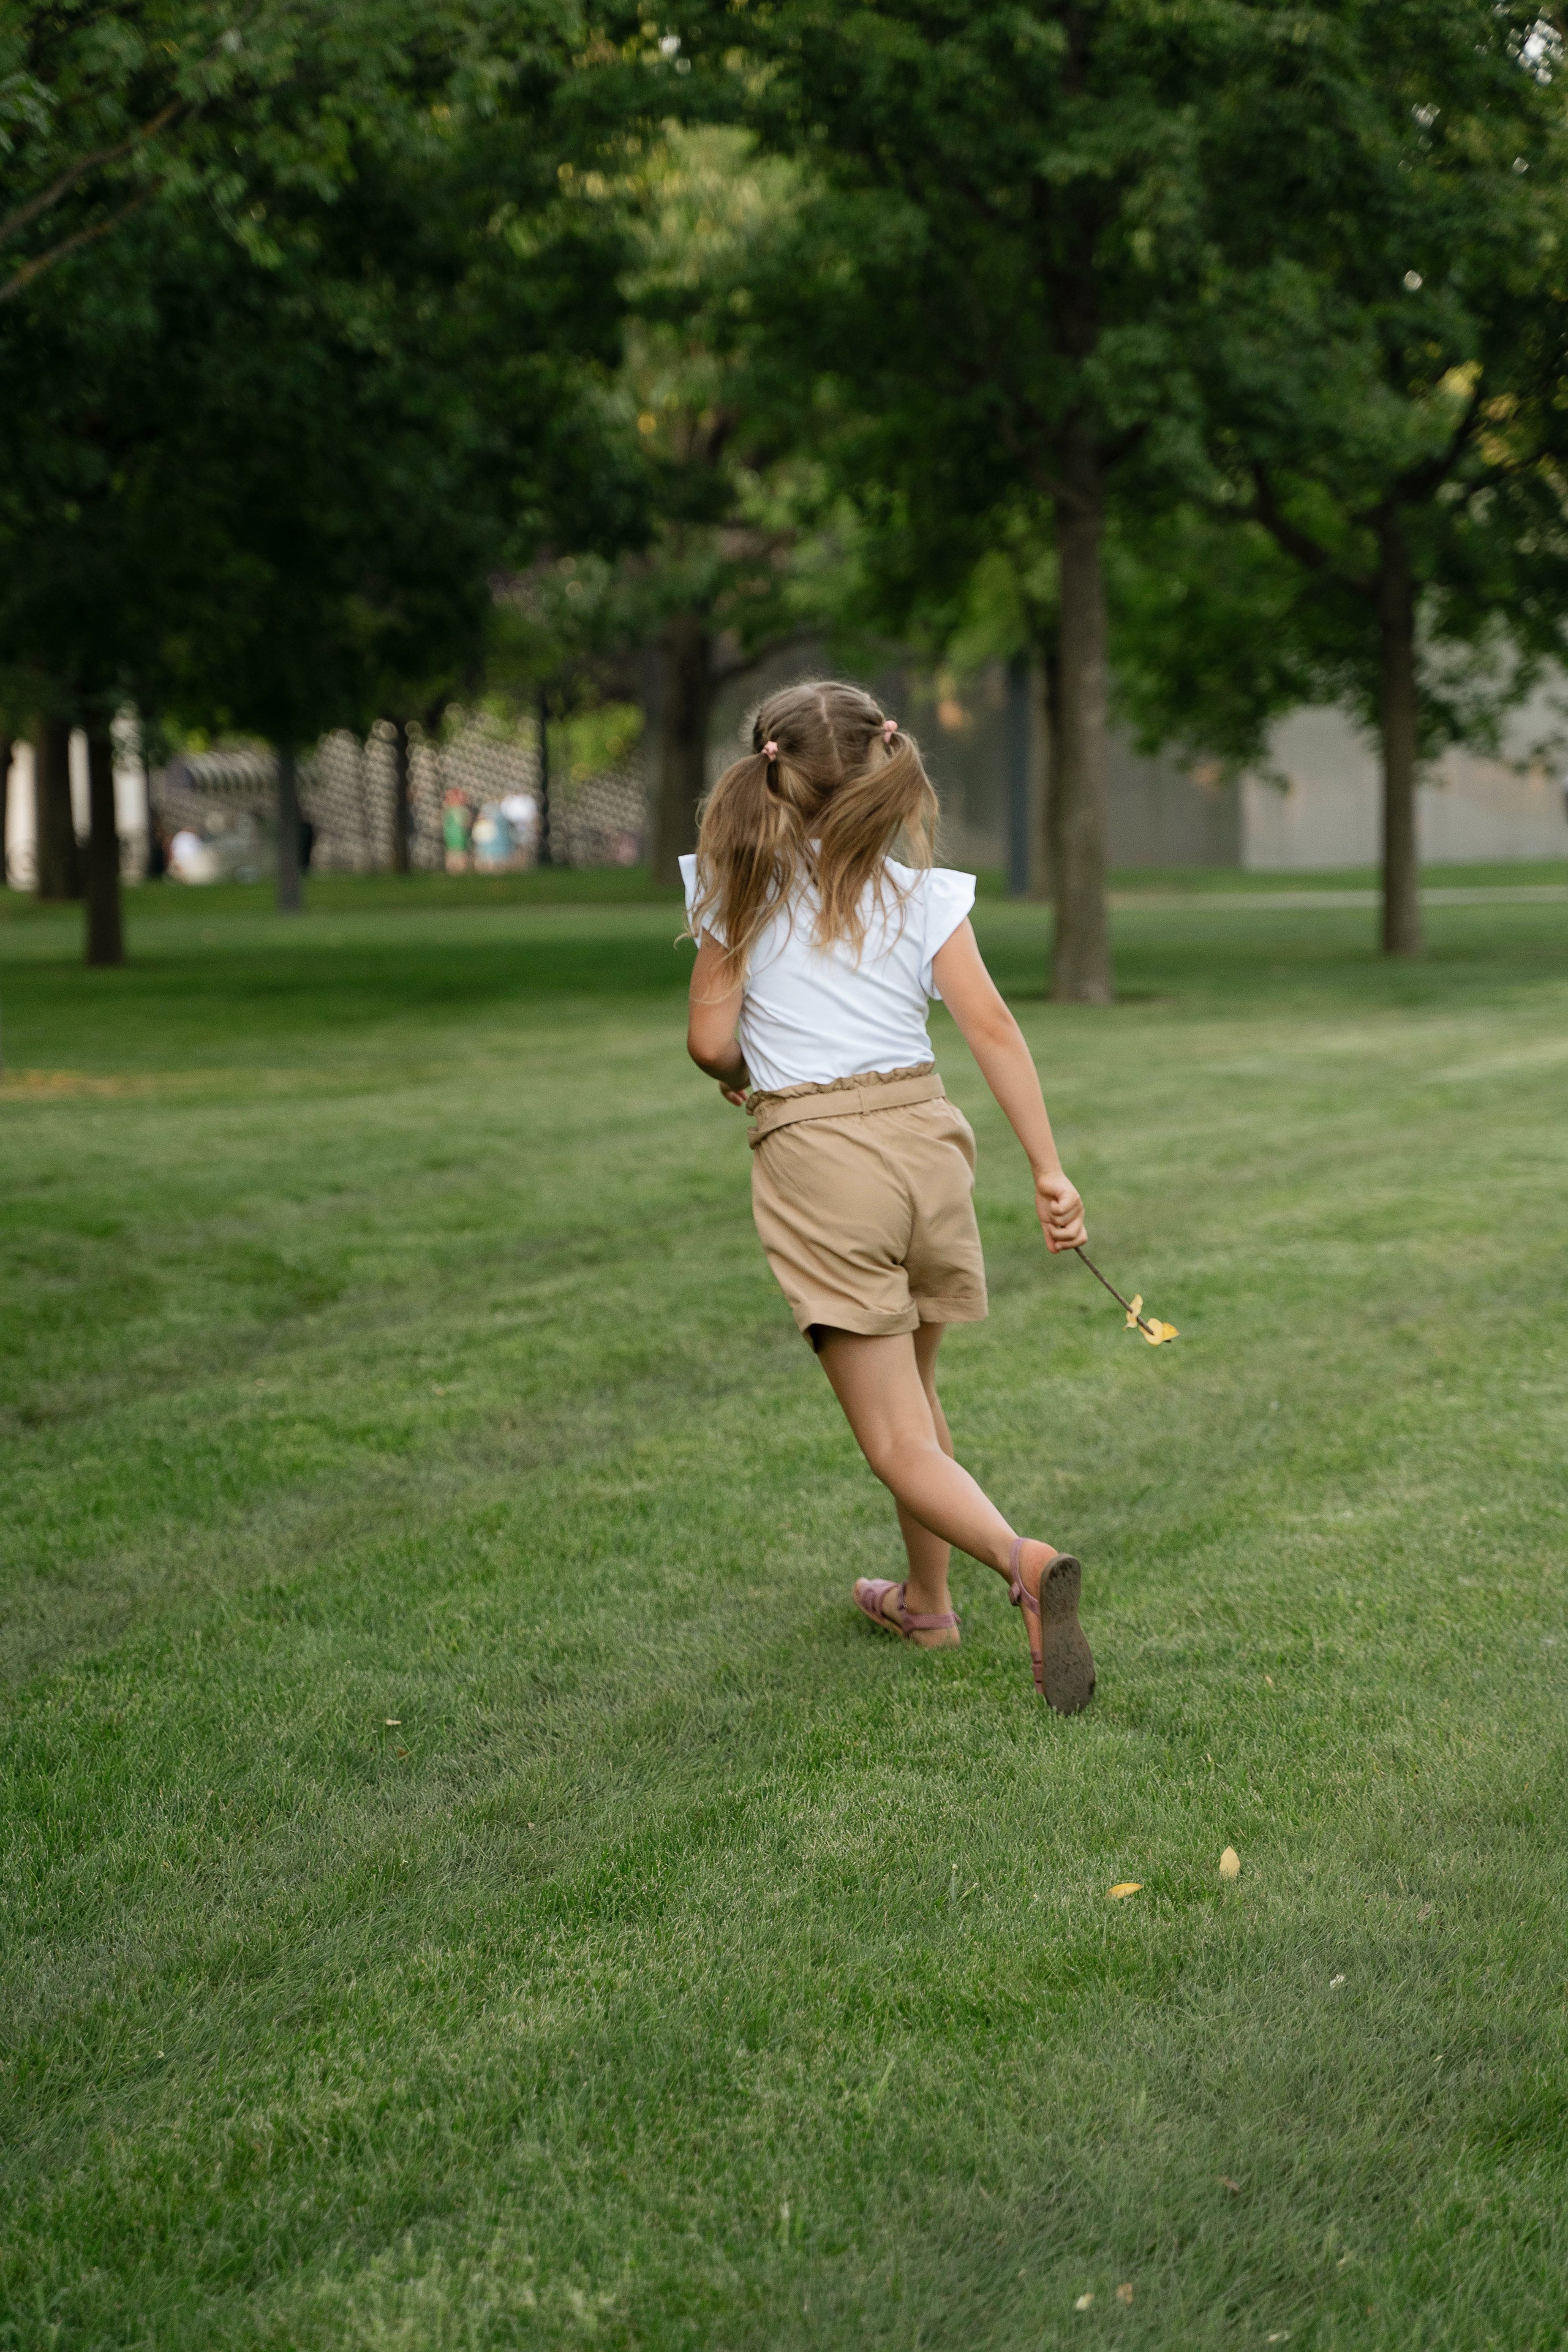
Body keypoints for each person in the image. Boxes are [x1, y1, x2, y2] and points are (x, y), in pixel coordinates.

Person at [682, 680, 1096, 1713]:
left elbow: (706, 1040)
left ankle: (1022, 1560)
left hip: (822, 1158)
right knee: (917, 1398)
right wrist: (1050, 1170)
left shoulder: (737, 883)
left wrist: (741, 1066)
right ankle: (925, 1603)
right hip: (928, 1144)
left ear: (769, 765)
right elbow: (993, 1028)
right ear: (882, 765)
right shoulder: (924, 895)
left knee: (896, 1440)